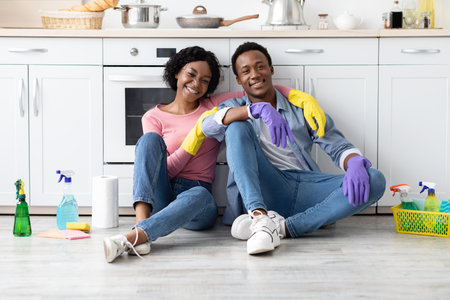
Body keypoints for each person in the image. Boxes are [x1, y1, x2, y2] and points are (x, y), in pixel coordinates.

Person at [102, 46, 326, 263]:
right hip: (161, 192)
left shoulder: (213, 105)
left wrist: (302, 98)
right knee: (148, 140)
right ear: (177, 72)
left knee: (198, 193)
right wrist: (192, 142)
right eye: (191, 74)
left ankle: (134, 237)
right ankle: (141, 232)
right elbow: (160, 170)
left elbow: (258, 87)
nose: (196, 84)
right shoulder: (153, 117)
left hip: (198, 201)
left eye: (205, 80)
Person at [201, 42, 386, 255]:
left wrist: (353, 161)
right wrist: (254, 110)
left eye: (260, 66)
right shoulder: (234, 107)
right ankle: (260, 217)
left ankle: (282, 228)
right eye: (246, 71)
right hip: (265, 187)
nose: (254, 74)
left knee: (374, 179)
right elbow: (207, 126)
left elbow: (337, 146)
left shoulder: (302, 108)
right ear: (239, 80)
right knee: (236, 127)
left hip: (305, 186)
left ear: (271, 70)